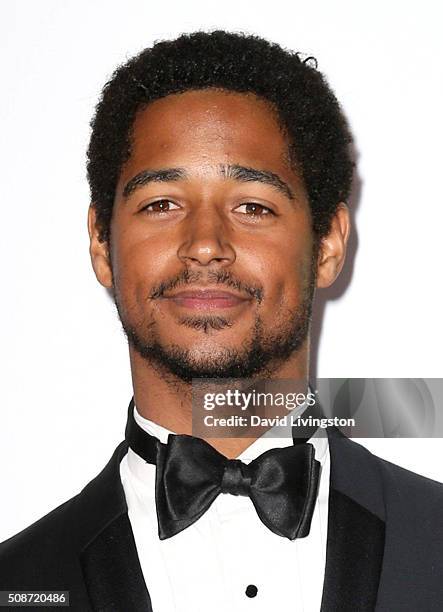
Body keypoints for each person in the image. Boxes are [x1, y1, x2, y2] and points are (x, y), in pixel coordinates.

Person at [1, 30, 442, 612]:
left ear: (329, 244)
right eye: (162, 204)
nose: (205, 245)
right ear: (102, 245)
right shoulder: (16, 584)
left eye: (252, 206)